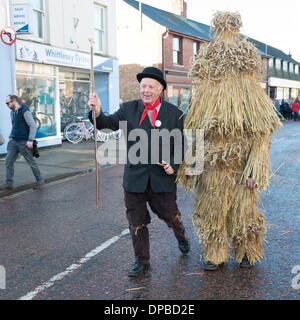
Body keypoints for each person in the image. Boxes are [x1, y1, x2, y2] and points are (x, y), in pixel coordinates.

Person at [177, 12, 282, 271]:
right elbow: (196, 131)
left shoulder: (248, 94)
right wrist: (192, 167)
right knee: (213, 211)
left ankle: (246, 253)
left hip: (240, 167)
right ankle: (215, 254)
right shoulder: (206, 97)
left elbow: (261, 135)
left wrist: (254, 169)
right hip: (214, 168)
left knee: (244, 212)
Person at [88, 67, 190, 277]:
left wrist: (174, 164)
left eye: (151, 87)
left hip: (162, 179)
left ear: (160, 89)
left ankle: (181, 236)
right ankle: (142, 262)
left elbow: (182, 144)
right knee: (136, 222)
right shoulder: (128, 109)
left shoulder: (175, 113)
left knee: (170, 216)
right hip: (134, 179)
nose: (146, 90)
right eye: (143, 86)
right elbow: (107, 124)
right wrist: (97, 111)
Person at [0, 95, 44, 191]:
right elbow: (15, 126)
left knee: (31, 162)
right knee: (8, 161)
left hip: (24, 142)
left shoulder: (25, 111)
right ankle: (9, 183)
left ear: (14, 100)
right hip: (13, 141)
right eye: (6, 103)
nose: (7, 105)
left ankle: (40, 180)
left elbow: (33, 126)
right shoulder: (12, 112)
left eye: (8, 103)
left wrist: (30, 140)